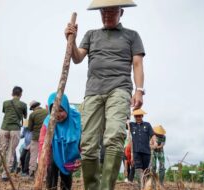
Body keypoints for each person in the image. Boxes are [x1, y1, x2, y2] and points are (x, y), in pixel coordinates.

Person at [65, 0, 145, 189]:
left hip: (119, 89)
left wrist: (139, 90)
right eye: (104, 13)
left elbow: (137, 64)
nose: (107, 15)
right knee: (88, 142)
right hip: (93, 92)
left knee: (114, 136)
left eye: (112, 12)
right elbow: (77, 58)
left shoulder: (132, 36)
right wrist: (71, 39)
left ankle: (106, 187)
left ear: (121, 13)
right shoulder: (91, 35)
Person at [38, 92, 81, 190]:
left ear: (66, 108)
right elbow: (42, 144)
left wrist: (79, 157)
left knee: (66, 178)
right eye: (54, 111)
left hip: (69, 153)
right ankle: (51, 187)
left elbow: (82, 140)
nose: (58, 115)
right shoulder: (47, 122)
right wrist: (43, 163)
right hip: (54, 150)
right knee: (52, 167)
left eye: (61, 110)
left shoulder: (76, 119)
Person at [0, 86, 27, 181]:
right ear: (21, 94)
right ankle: (5, 175)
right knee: (11, 151)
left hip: (4, 128)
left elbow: (5, 112)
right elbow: (25, 116)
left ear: (12, 93)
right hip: (15, 129)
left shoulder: (5, 103)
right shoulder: (23, 105)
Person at [129, 108, 156, 189]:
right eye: (136, 116)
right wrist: (127, 117)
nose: (138, 118)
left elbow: (153, 135)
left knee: (146, 170)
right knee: (138, 168)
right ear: (134, 117)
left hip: (146, 151)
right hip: (136, 151)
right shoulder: (131, 125)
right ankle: (141, 185)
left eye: (139, 116)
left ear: (142, 116)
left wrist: (154, 142)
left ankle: (147, 185)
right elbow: (122, 122)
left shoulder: (147, 125)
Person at [27, 100, 48, 178]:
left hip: (35, 137)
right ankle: (44, 174)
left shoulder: (32, 114)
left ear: (32, 108)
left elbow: (29, 128)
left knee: (33, 155)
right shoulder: (46, 112)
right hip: (46, 137)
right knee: (45, 155)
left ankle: (31, 172)